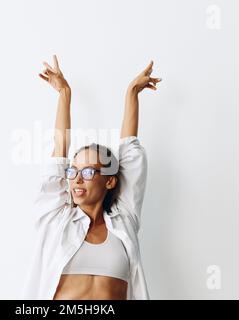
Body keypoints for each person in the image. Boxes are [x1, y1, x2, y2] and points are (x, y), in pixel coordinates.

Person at [21, 55, 161, 300]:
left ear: (110, 180)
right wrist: (64, 94)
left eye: (87, 172)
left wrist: (131, 94)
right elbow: (59, 152)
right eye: (73, 172)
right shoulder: (56, 219)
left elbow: (129, 153)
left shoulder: (124, 220)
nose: (76, 179)